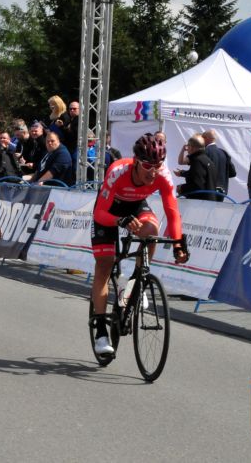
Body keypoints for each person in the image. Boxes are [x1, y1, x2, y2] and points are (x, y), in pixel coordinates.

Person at [90, 133, 189, 354]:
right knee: (104, 264)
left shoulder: (162, 175)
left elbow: (172, 212)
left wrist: (178, 244)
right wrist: (119, 221)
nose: (153, 171)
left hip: (135, 206)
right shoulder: (118, 171)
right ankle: (101, 332)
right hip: (109, 210)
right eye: (147, 165)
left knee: (151, 232)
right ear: (135, 162)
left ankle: (136, 283)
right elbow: (99, 213)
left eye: (157, 165)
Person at [174, 135, 218, 200]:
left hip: (200, 202)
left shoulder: (197, 161)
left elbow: (197, 186)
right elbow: (196, 176)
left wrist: (181, 188)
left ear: (192, 147)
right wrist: (182, 173)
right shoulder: (208, 161)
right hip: (210, 201)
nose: (187, 149)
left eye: (188, 146)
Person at [201, 129, 236, 202]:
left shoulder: (204, 152)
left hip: (207, 190)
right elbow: (232, 173)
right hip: (221, 191)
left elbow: (200, 172)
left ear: (206, 138)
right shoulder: (224, 153)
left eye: (202, 138)